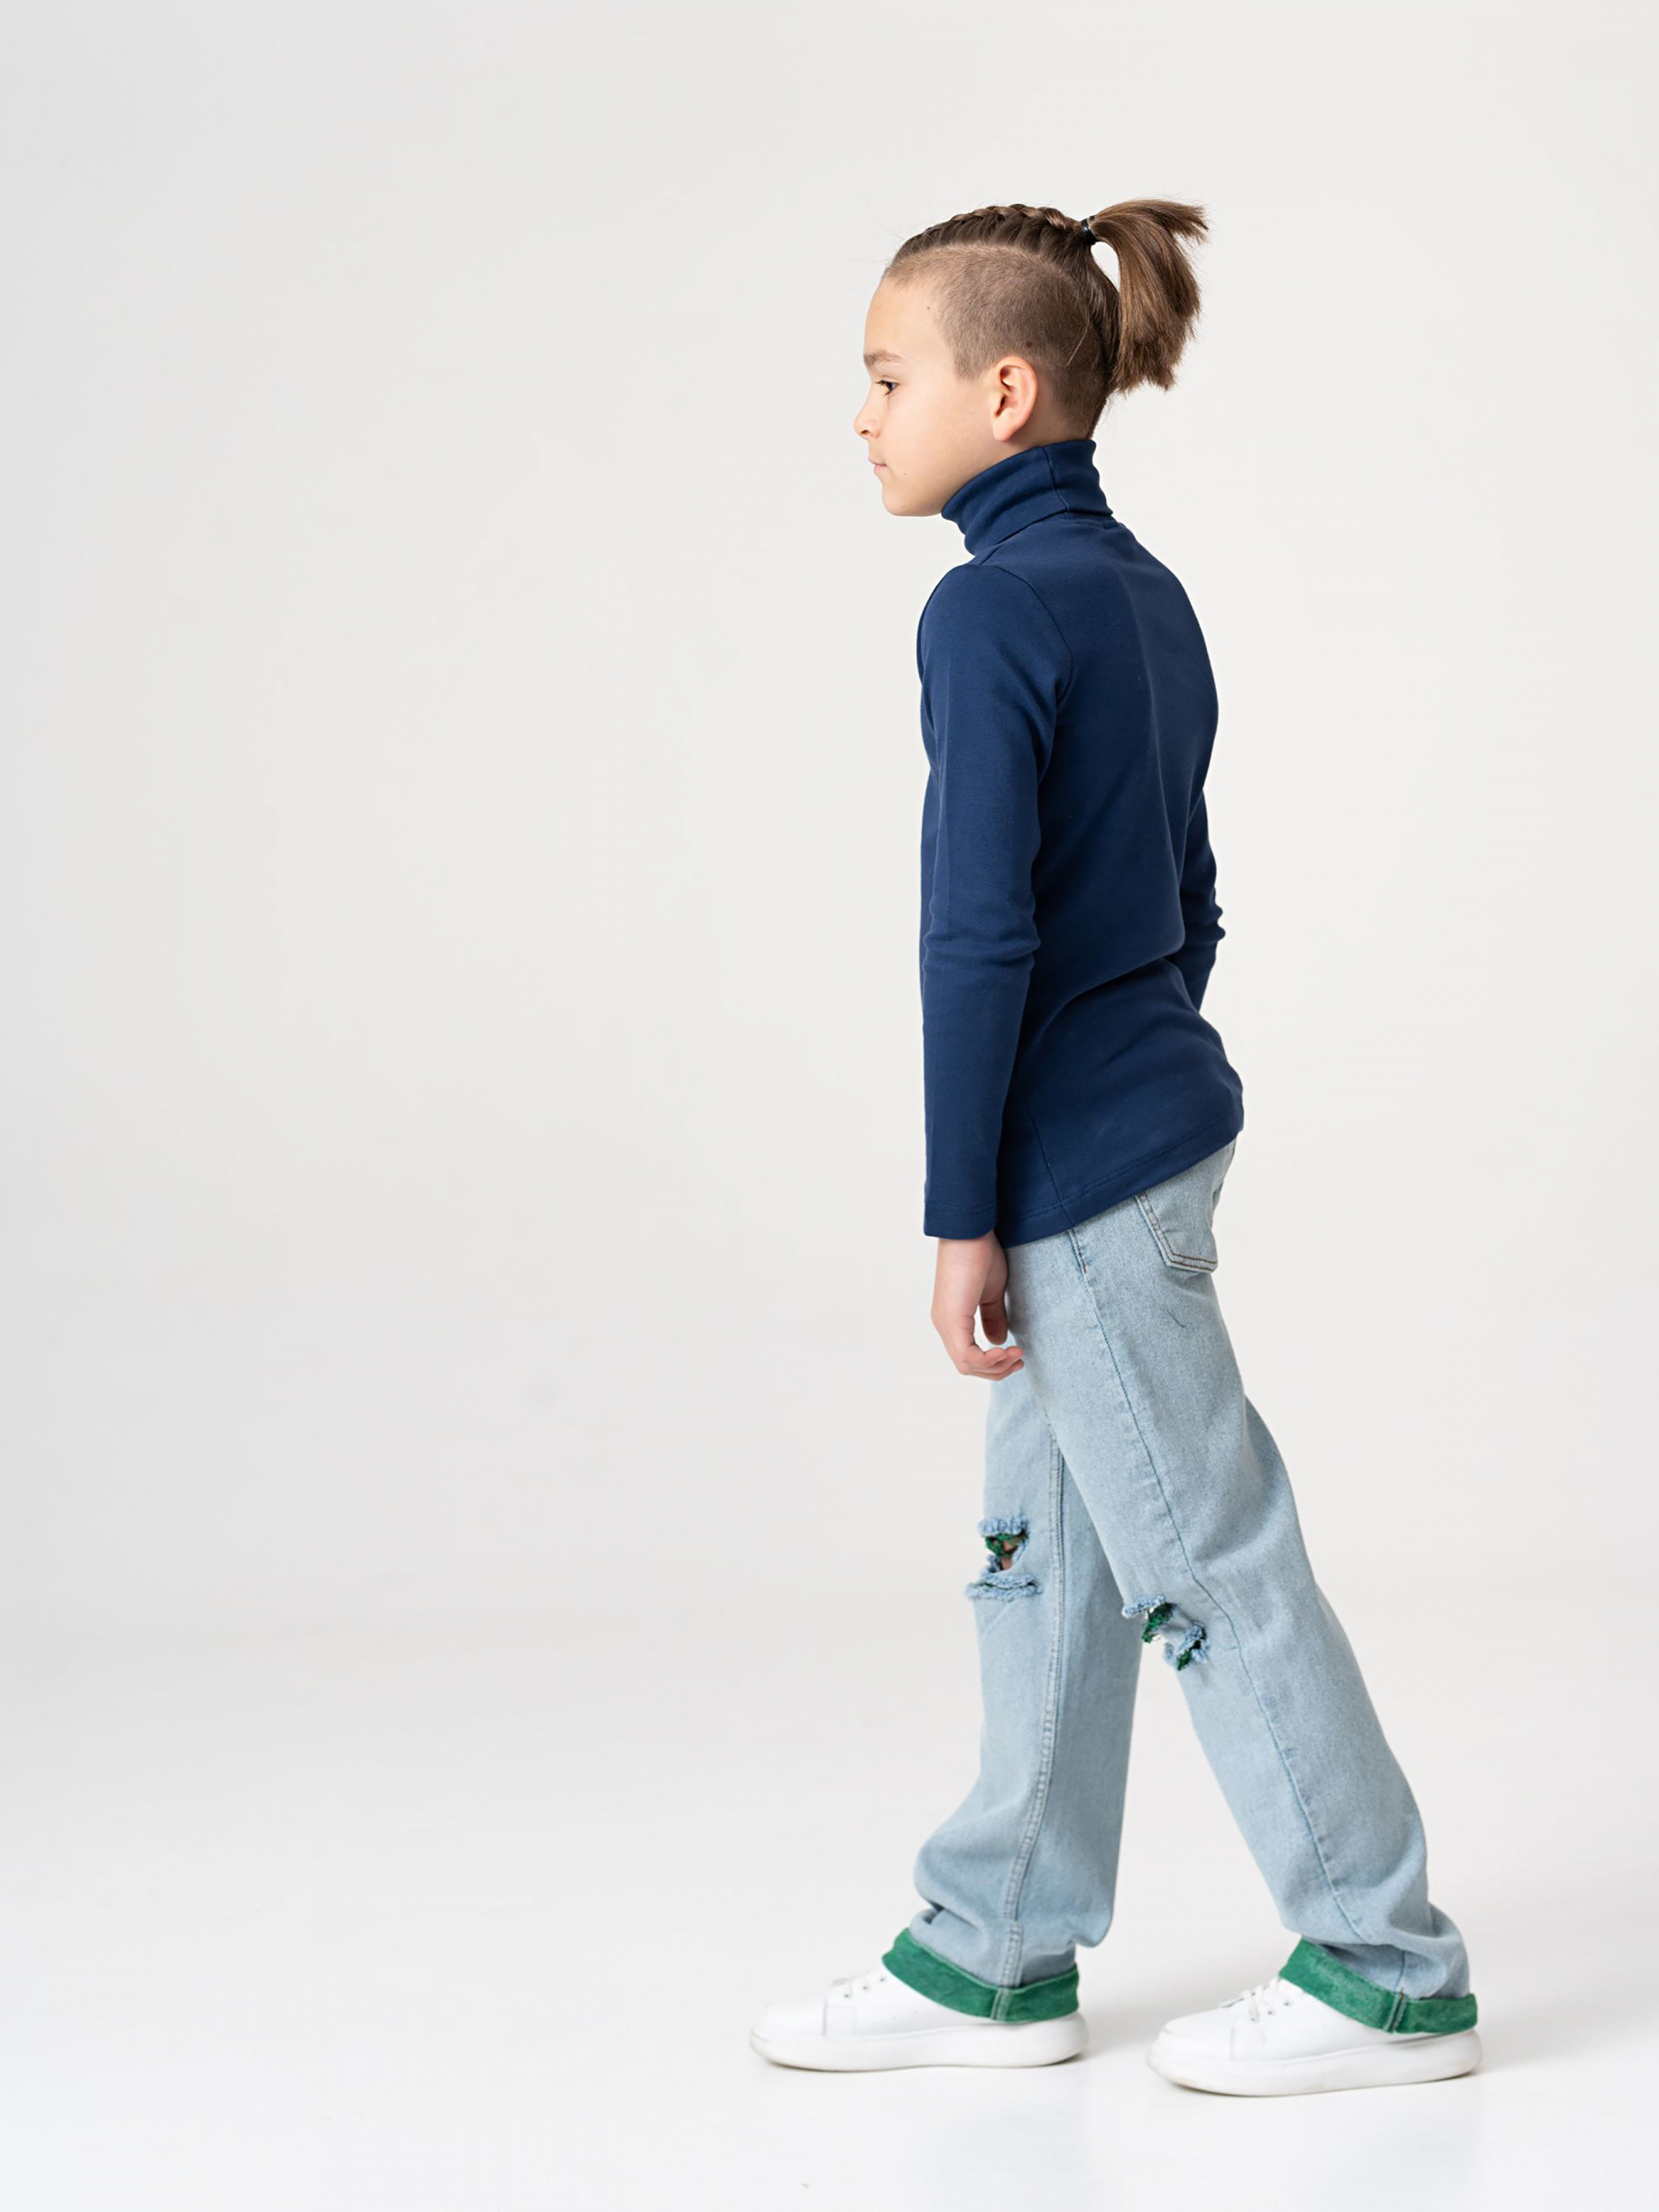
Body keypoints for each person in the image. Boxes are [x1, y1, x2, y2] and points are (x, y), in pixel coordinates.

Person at [747, 198, 1480, 2096]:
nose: (860, 415)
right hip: (1139, 1132)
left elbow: (975, 934)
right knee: (1048, 1567)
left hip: (1073, 1178)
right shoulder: (1142, 595)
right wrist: (1127, 1070)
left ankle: (1383, 1963)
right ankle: (994, 1942)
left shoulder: (986, 606)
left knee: (1208, 1562)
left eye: (884, 377)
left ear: (1003, 393)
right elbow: (1184, 898)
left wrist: (962, 1211)